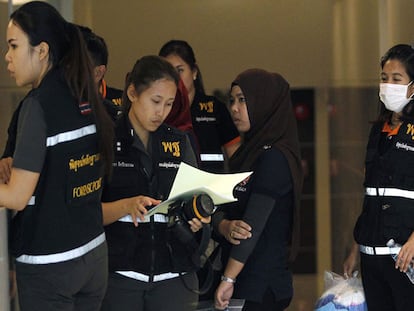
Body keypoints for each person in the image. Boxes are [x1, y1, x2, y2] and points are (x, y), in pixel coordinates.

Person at [2, 2, 114, 310]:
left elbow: (16, 196)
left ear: (41, 50)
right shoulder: (82, 92)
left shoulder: (38, 105)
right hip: (93, 255)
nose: (7, 57)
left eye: (13, 46)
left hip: (50, 263)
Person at [101, 55, 209, 311]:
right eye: (156, 101)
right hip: (119, 276)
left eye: (169, 104)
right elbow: (86, 211)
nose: (161, 112)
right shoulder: (106, 140)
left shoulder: (179, 141)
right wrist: (126, 206)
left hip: (175, 276)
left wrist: (196, 218)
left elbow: (194, 195)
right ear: (132, 92)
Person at [213, 69, 303, 311]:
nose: (234, 108)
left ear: (264, 103)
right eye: (232, 100)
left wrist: (228, 279)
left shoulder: (275, 158)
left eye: (243, 100)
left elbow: (253, 223)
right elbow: (222, 211)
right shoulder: (246, 154)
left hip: (261, 285)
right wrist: (223, 226)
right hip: (244, 280)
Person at [343, 44, 414, 311]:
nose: (388, 85)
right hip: (370, 256)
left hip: (404, 258)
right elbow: (369, 195)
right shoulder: (378, 131)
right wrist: (354, 248)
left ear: (413, 87)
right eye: (384, 78)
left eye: (397, 79)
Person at [159, 39, 240, 173]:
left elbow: (237, 158)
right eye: (168, 71)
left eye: (180, 70)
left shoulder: (215, 108)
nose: (174, 77)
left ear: (194, 72)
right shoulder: (159, 109)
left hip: (212, 185)